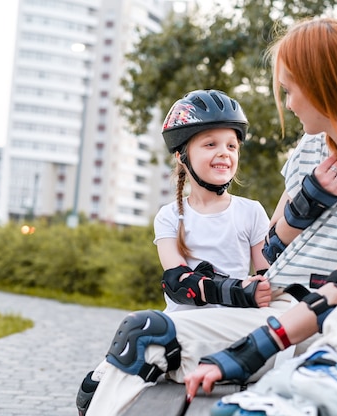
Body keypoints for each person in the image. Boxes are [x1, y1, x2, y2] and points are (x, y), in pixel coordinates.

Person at [79, 17, 337, 416]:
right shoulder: (309, 150)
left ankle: (317, 376)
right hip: (278, 313)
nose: (288, 104)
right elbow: (271, 248)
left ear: (321, 84)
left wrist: (255, 349)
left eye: (290, 90)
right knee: (144, 337)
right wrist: (306, 203)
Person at [76, 89, 273, 415]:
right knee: (92, 390)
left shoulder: (250, 212)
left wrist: (262, 285)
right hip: (181, 325)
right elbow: (179, 283)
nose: (224, 152)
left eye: (231, 145)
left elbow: (267, 277)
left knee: (138, 335)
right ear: (182, 156)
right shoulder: (170, 216)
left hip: (230, 329)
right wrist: (238, 290)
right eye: (210, 144)